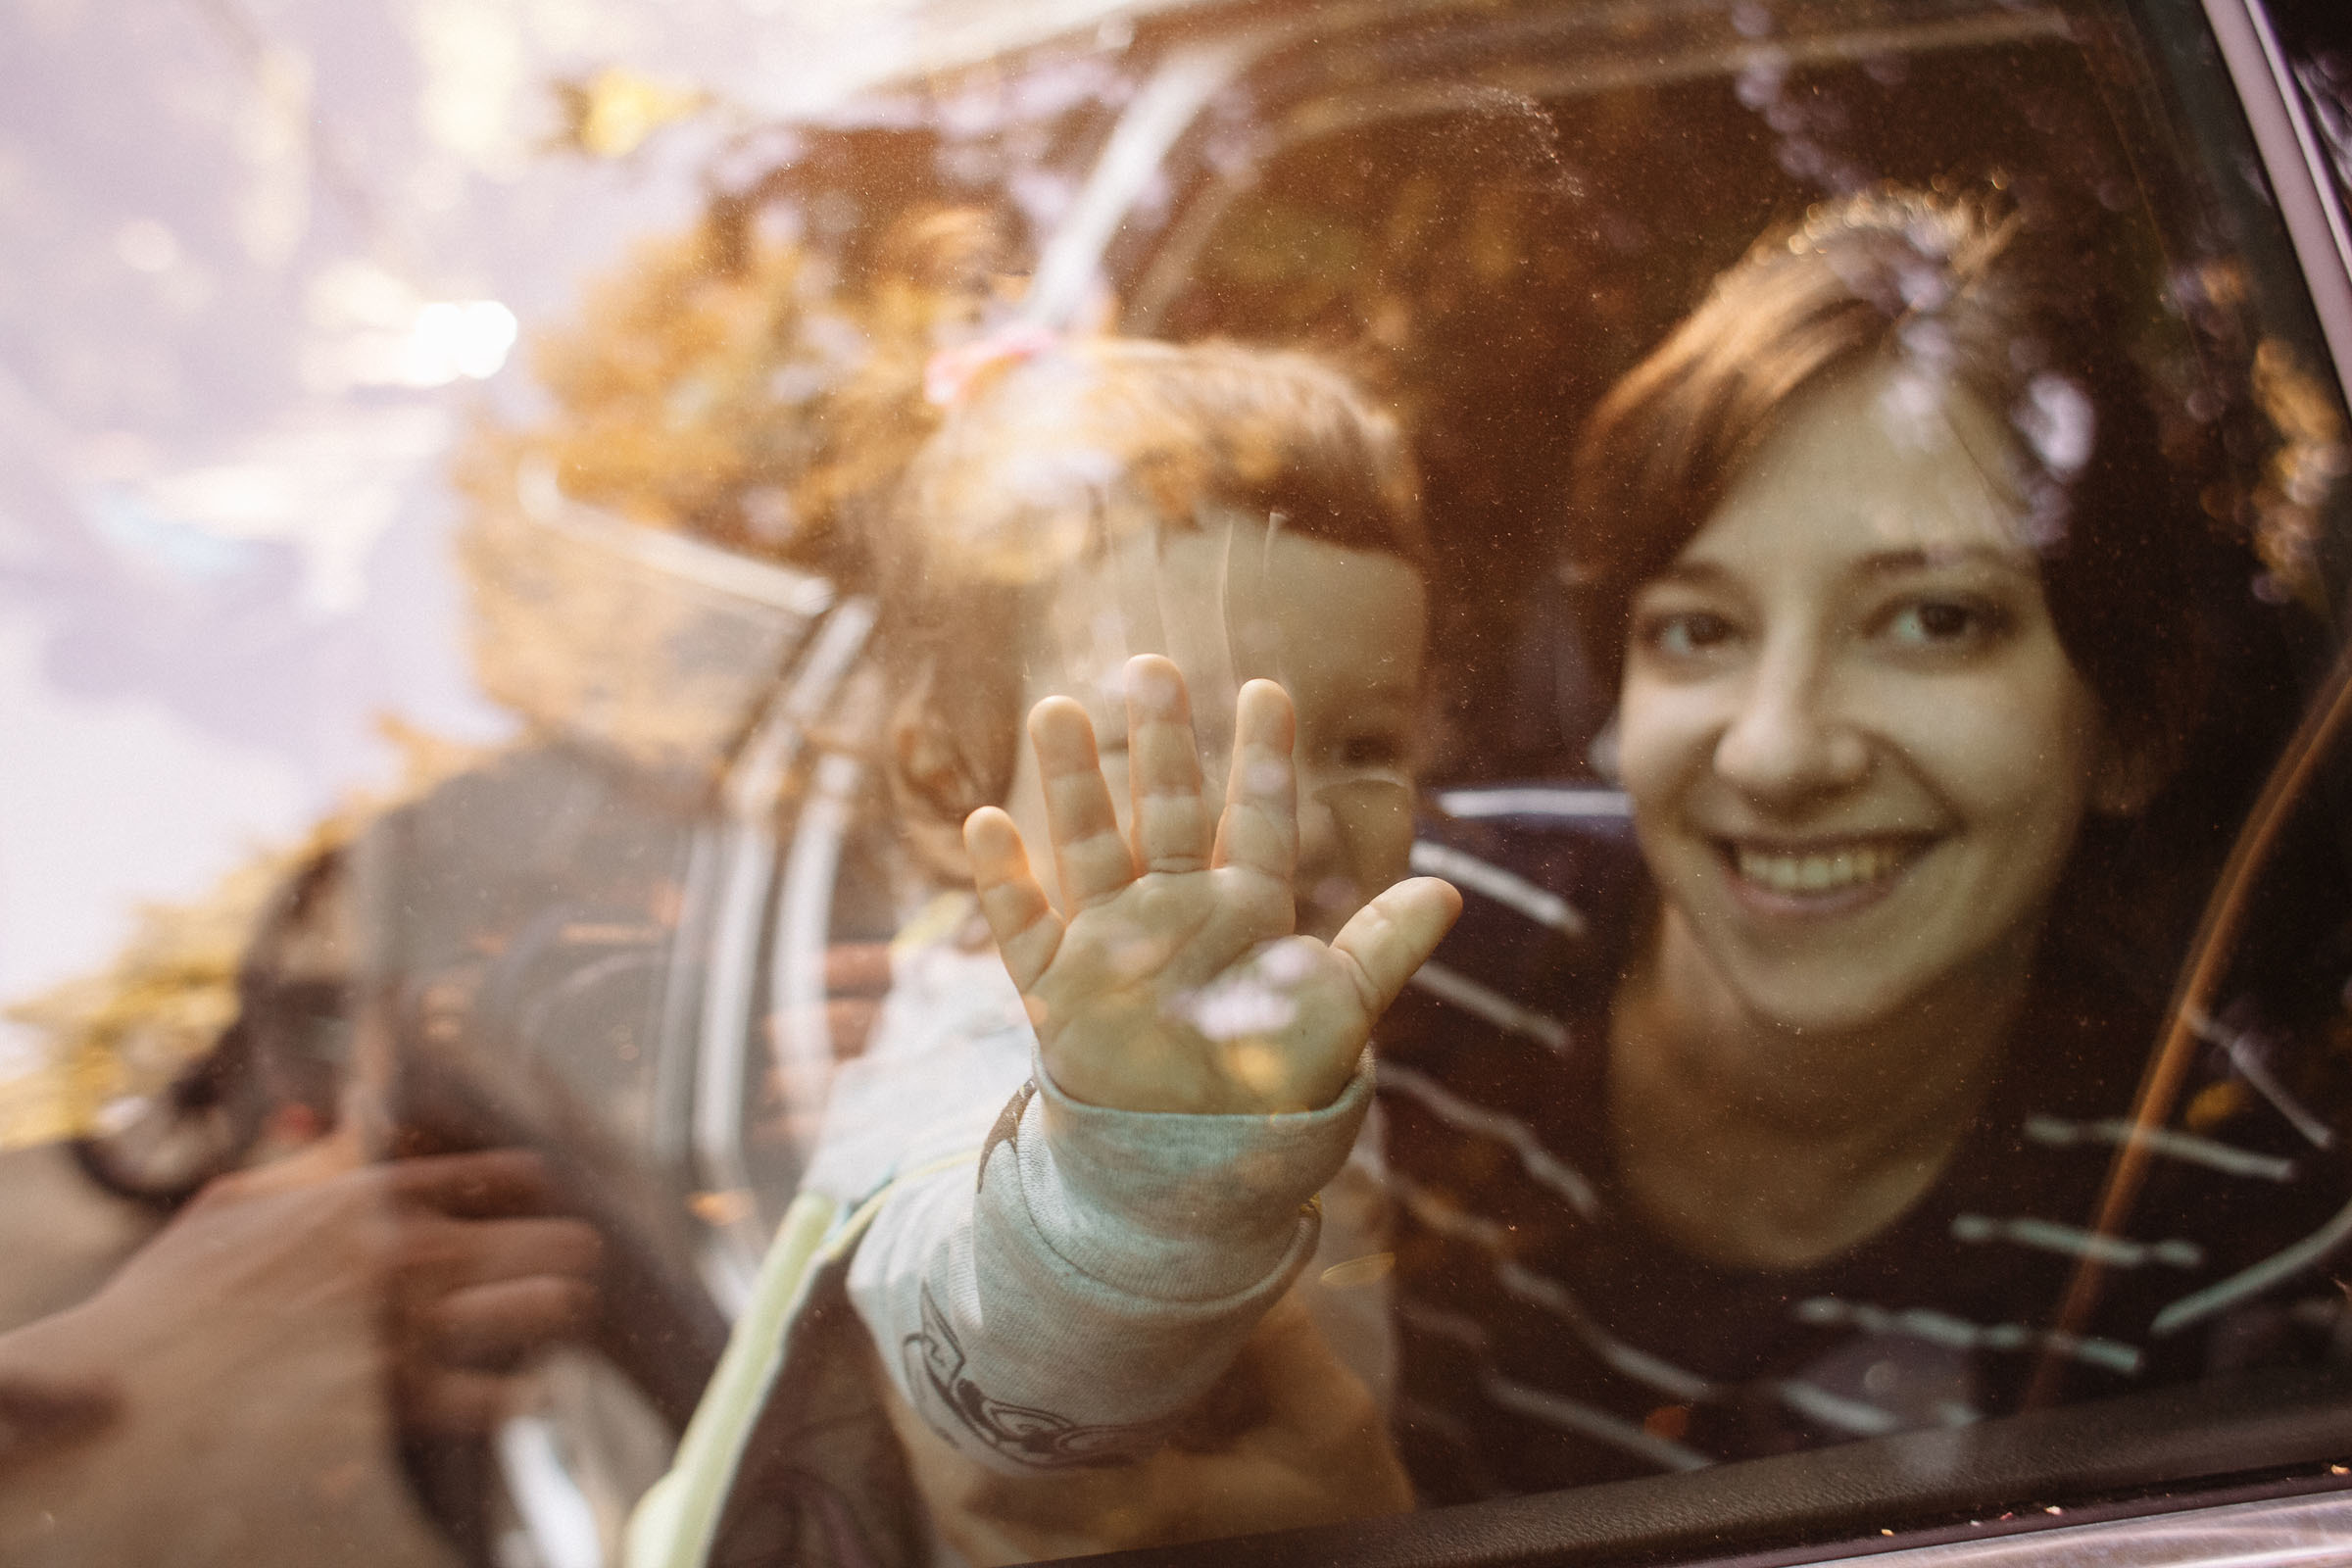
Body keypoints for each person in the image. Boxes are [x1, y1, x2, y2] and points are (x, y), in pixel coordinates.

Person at [1376, 183, 2340, 1501]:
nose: (1776, 755)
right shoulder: (1399, 942)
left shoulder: (2237, 1253)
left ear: (2134, 725)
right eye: (1699, 629)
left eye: (1933, 621)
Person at [654, 335, 1462, 1568]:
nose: (1294, 825)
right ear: (950, 768)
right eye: (1182, 750)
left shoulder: (1294, 1000)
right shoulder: (990, 1051)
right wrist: (1130, 1181)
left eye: (1364, 745)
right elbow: (977, 1329)